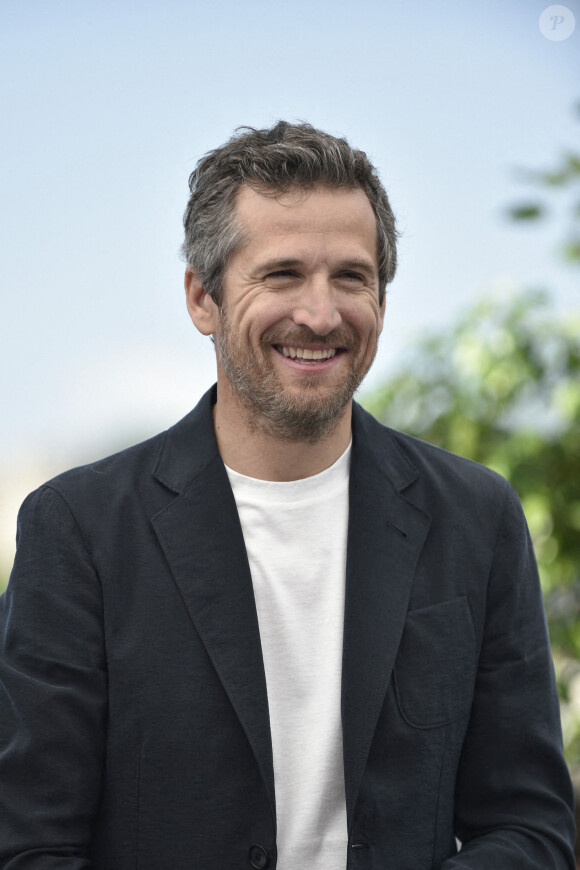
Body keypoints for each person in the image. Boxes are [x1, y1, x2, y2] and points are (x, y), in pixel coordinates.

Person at [0, 121, 575, 870]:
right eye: (281, 275)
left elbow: (531, 830)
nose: (320, 313)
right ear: (202, 298)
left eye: (351, 277)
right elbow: (29, 846)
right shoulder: (78, 529)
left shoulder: (479, 518)